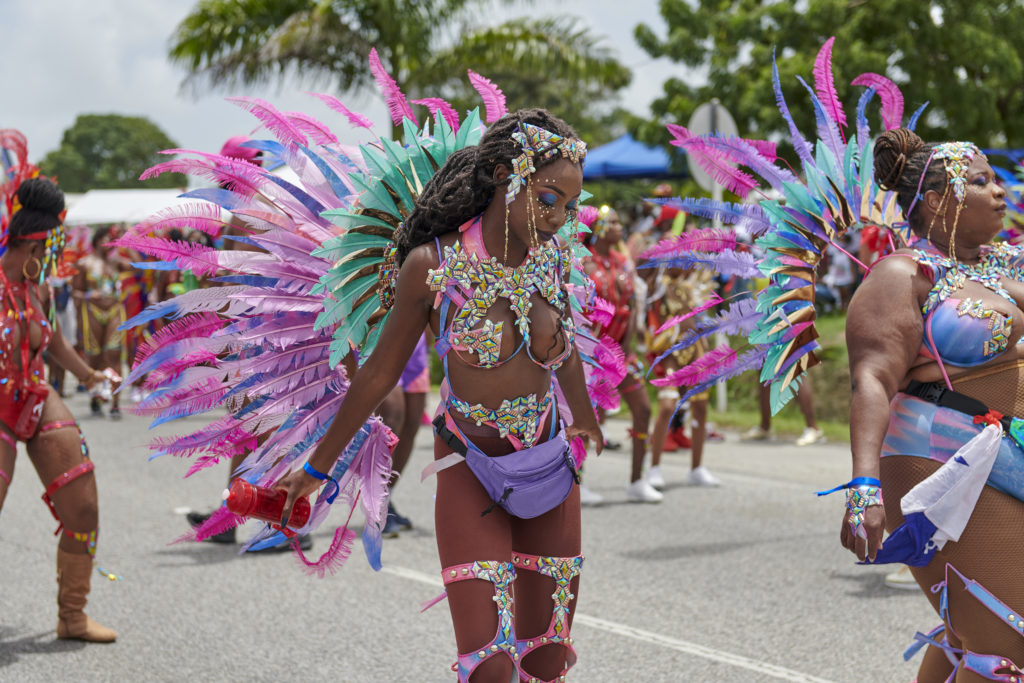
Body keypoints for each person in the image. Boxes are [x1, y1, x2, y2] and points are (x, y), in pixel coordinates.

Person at [275, 109, 602, 682]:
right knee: (490, 668)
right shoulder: (433, 266)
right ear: (506, 174)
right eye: (548, 199)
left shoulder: (553, 259)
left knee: (547, 659)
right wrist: (317, 468)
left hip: (548, 464)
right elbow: (377, 376)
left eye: (569, 207)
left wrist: (586, 418)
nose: (558, 218)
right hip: (469, 468)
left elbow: (566, 347)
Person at [844, 128, 1024, 680]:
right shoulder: (903, 275)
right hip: (940, 462)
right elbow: (872, 378)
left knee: (966, 630)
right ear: (938, 198)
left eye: (997, 179)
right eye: (980, 181)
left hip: (1008, 451)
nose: (999, 191)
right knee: (1008, 641)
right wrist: (863, 487)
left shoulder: (1007, 263)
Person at [0, 173, 118, 642]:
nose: (57, 257)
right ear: (35, 247)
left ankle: (72, 617)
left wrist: (91, 376)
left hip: (35, 394)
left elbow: (53, 343)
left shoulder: (39, 290)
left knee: (83, 508)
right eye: (53, 247)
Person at [580, 204, 656, 503]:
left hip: (621, 354)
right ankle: (577, 483)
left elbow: (633, 306)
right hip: (590, 355)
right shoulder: (583, 263)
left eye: (617, 221)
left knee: (643, 408)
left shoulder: (623, 262)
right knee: (589, 418)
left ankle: (637, 481)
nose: (618, 226)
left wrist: (627, 350)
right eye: (611, 222)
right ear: (597, 228)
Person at [641, 207, 719, 487]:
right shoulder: (656, 285)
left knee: (700, 409)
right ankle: (654, 468)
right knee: (666, 407)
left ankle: (697, 468)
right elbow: (644, 264)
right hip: (671, 352)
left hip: (696, 349)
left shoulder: (691, 283)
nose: (681, 261)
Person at [73, 226, 131, 419]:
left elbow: (138, 265)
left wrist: (125, 241)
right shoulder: (84, 264)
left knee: (114, 353)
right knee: (95, 357)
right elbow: (75, 292)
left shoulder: (116, 263)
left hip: (114, 310)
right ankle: (96, 398)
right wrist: (90, 294)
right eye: (109, 238)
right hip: (92, 311)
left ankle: (115, 403)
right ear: (98, 240)